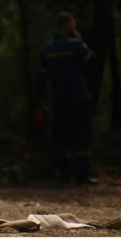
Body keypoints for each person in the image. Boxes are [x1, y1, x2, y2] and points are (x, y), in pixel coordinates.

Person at [36, 11, 96, 184]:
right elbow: (92, 60)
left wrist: (42, 101)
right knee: (82, 135)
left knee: (62, 136)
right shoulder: (76, 46)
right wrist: (80, 41)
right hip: (79, 98)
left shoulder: (47, 49)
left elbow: (40, 79)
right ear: (68, 27)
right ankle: (82, 175)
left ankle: (63, 174)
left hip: (59, 100)